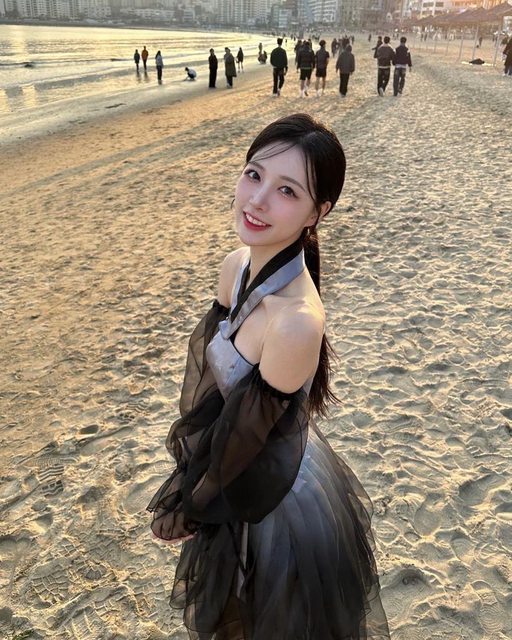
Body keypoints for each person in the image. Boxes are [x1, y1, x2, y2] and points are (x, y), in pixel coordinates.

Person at [147, 112, 390, 640]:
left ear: (317, 213)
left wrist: (193, 506)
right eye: (253, 174)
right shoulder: (236, 265)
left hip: (270, 490)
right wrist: (190, 473)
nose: (256, 200)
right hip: (237, 459)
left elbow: (247, 441)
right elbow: (210, 389)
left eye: (287, 190)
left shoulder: (296, 321)